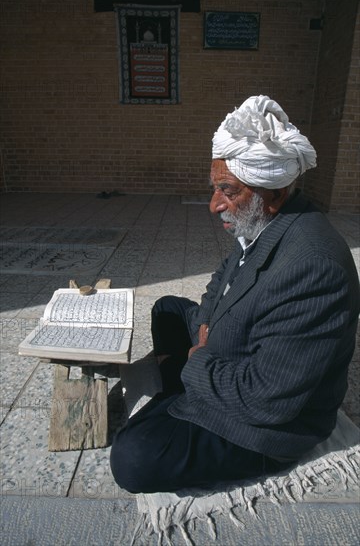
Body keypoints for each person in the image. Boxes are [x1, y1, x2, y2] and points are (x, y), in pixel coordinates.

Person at [110, 95, 360, 493]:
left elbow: (269, 400)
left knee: (133, 458)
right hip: (231, 350)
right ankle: (182, 390)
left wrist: (197, 364)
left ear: (273, 193)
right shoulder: (265, 219)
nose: (214, 205)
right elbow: (220, 282)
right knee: (169, 309)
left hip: (271, 424)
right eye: (216, 189)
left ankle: (181, 393)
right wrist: (207, 321)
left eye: (227, 191)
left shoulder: (315, 267)